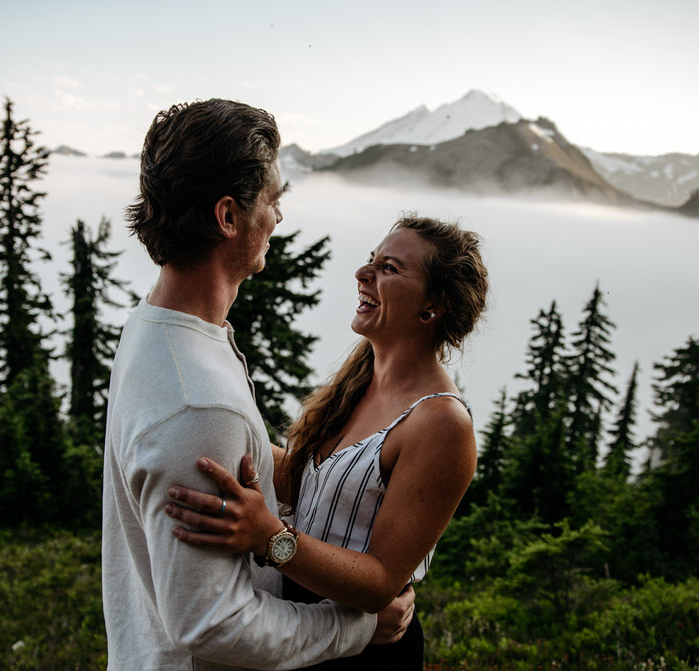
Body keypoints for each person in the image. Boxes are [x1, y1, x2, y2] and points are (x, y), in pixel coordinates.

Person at [102, 99, 414, 671]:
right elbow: (213, 624)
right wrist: (355, 626)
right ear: (228, 216)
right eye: (272, 202)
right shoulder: (196, 399)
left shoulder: (154, 328)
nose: (276, 219)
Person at [165, 215, 488, 668]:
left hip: (366, 649)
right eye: (371, 261)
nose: (364, 273)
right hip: (304, 623)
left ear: (433, 305)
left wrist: (270, 537)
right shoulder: (360, 379)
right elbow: (305, 480)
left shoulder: (441, 422)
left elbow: (379, 582)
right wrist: (208, 421)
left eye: (389, 268)